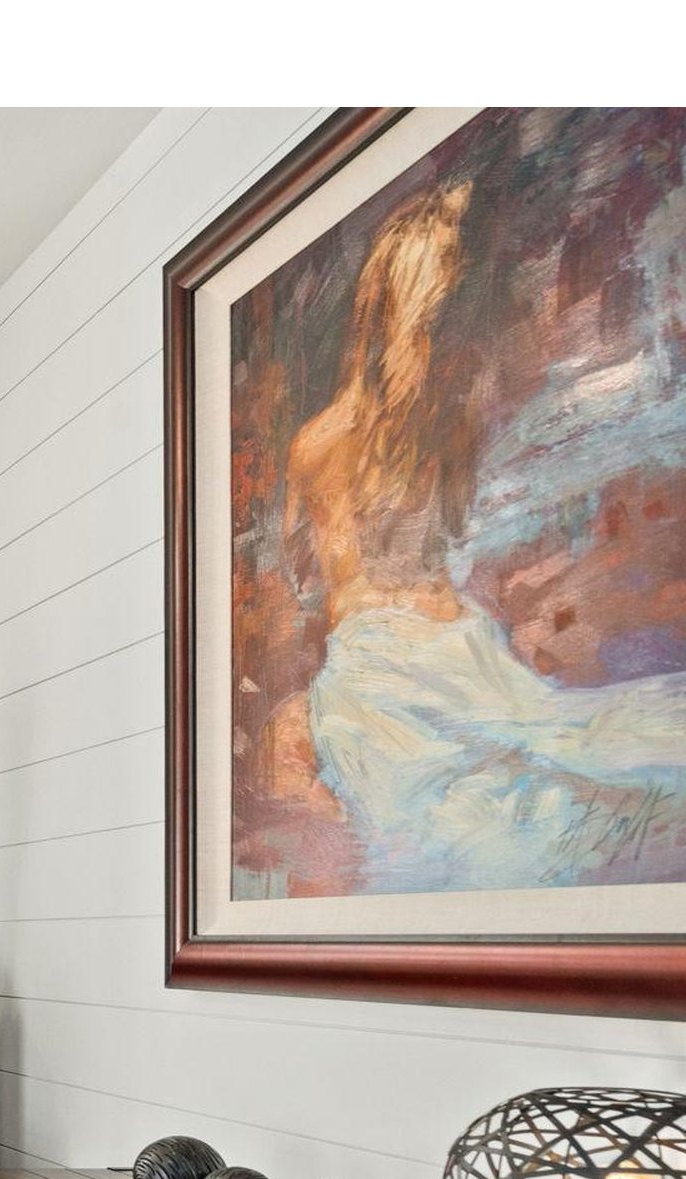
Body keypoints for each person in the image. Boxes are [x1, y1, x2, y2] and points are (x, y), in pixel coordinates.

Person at [290, 179, 686, 895]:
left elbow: (429, 564)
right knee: (514, 811)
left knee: (571, 768)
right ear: (400, 309)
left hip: (445, 650)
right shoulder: (330, 443)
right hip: (387, 668)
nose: (446, 336)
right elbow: (354, 597)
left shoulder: (440, 430)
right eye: (435, 309)